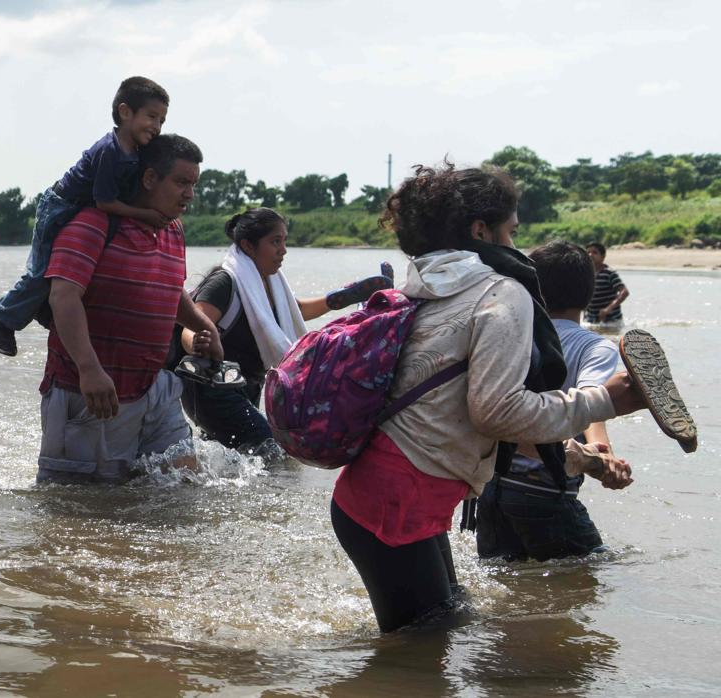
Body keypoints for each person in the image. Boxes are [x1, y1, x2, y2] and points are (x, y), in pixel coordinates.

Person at [329, 162, 660, 633]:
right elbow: (499, 413)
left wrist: (583, 458)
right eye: (512, 231)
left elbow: (468, 414)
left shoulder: (424, 286)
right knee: (425, 652)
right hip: (397, 504)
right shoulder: (500, 294)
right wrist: (604, 401)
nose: (515, 245)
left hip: (379, 496)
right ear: (481, 230)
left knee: (444, 626)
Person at [35, 133, 223, 485]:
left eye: (194, 184)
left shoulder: (173, 231)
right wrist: (89, 369)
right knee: (83, 508)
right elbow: (63, 297)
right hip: (89, 393)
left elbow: (169, 289)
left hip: (154, 388)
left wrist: (204, 326)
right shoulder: (92, 225)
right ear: (150, 178)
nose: (190, 194)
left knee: (186, 488)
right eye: (181, 182)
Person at [0, 76, 171, 357]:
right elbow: (105, 202)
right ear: (125, 112)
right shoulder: (111, 150)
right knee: (43, 271)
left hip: (84, 209)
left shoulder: (135, 151)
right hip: (61, 207)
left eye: (162, 121)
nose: (156, 126)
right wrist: (146, 215)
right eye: (151, 116)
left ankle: (44, 311)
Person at [178, 207, 393, 454]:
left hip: (244, 385)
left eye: (284, 241)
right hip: (211, 389)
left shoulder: (270, 282)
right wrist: (196, 342)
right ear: (248, 246)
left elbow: (295, 310)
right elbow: (191, 324)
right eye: (275, 241)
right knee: (270, 450)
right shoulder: (225, 282)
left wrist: (340, 299)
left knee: (231, 458)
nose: (284, 249)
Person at [476, 241, 632, 560]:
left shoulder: (513, 336)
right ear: (588, 295)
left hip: (492, 489)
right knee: (594, 575)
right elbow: (590, 403)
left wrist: (604, 453)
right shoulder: (594, 347)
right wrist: (604, 457)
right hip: (545, 488)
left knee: (508, 586)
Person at [584, 242, 628, 325]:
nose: (590, 255)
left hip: (612, 320)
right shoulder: (585, 274)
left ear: (603, 257)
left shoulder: (609, 273)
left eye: (595, 252)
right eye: (588, 252)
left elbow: (624, 292)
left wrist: (608, 309)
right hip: (591, 320)